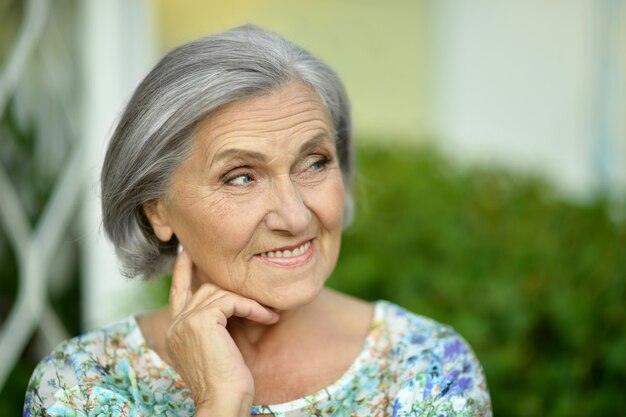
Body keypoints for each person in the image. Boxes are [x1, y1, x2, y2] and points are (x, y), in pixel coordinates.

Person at [24, 25, 492, 417]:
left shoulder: (426, 367)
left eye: (314, 163)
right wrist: (220, 403)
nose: (294, 215)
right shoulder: (81, 386)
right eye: (241, 177)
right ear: (157, 209)